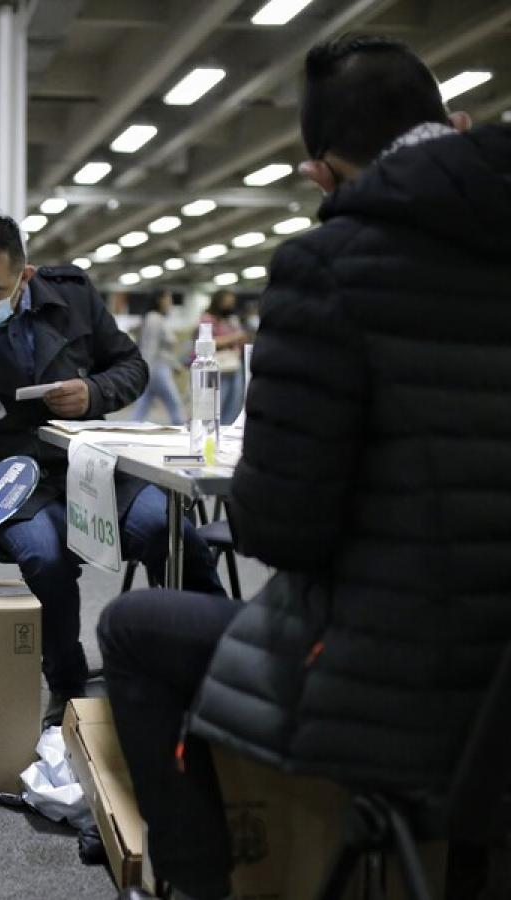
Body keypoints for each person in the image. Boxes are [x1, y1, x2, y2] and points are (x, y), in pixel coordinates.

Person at [97, 36, 511, 900]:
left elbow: (283, 527)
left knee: (134, 629)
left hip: (425, 687)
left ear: (321, 174)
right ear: (454, 124)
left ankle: (200, 887)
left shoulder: (330, 268)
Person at [0, 213, 224, 727]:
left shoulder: (73, 295)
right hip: (10, 484)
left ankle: (214, 666)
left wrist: (95, 393)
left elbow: (132, 367)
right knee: (46, 559)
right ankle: (68, 687)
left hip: (94, 470)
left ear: (25, 276)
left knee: (172, 532)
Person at [131, 291, 183, 425]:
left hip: (158, 367)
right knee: (174, 403)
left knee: (143, 405)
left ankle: (132, 428)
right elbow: (150, 347)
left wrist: (175, 365)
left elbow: (164, 350)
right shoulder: (154, 318)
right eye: (168, 299)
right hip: (156, 370)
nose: (170, 303)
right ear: (159, 300)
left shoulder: (157, 318)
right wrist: (145, 371)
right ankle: (182, 430)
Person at [199, 289, 248, 424]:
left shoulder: (232, 320)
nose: (230, 305)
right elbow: (208, 342)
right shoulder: (207, 318)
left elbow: (242, 338)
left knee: (235, 401)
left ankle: (228, 428)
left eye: (232, 302)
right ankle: (215, 428)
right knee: (218, 401)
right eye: (227, 302)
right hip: (217, 366)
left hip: (235, 364)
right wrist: (233, 337)